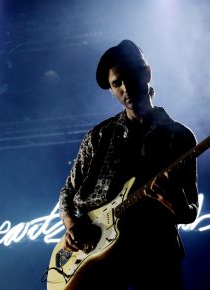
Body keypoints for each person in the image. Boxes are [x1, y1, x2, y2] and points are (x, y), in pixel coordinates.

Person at [57, 39, 199, 290]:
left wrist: (171, 201)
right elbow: (68, 192)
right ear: (111, 90)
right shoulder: (98, 136)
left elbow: (190, 212)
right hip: (100, 258)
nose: (125, 88)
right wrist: (72, 225)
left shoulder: (179, 136)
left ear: (146, 73)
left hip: (157, 257)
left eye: (130, 77)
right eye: (116, 84)